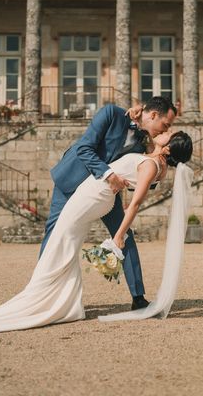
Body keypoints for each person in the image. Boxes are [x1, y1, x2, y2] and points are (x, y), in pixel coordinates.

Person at [0, 132, 193, 334]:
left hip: (94, 196)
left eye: (170, 134)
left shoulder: (152, 164)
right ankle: (65, 304)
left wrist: (119, 236)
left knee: (61, 238)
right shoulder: (157, 166)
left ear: (169, 147)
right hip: (97, 194)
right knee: (66, 241)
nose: (164, 133)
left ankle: (39, 298)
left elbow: (134, 204)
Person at [41, 97, 177, 310]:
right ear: (153, 115)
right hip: (74, 179)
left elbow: (141, 178)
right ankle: (41, 290)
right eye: (166, 125)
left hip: (105, 194)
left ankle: (138, 298)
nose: (165, 130)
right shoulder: (112, 114)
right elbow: (84, 148)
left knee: (123, 235)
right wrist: (109, 174)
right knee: (54, 232)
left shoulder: (145, 140)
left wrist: (158, 154)